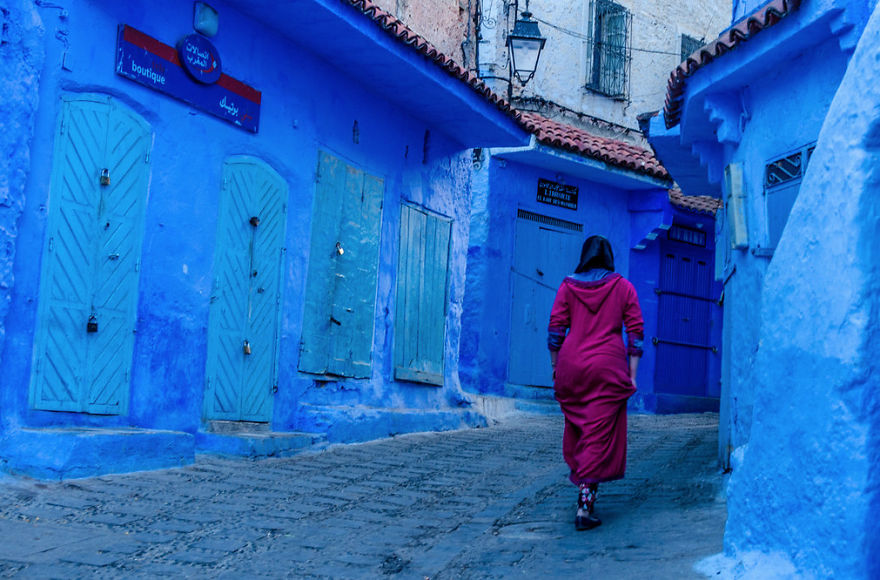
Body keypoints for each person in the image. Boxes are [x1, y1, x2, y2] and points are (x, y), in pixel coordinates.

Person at [547, 235, 643, 530]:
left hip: (571, 366)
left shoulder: (567, 286)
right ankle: (584, 509)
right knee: (597, 435)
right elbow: (636, 333)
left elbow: (555, 331)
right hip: (607, 369)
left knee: (580, 431)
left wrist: (555, 367)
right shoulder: (623, 287)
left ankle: (586, 496)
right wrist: (632, 375)